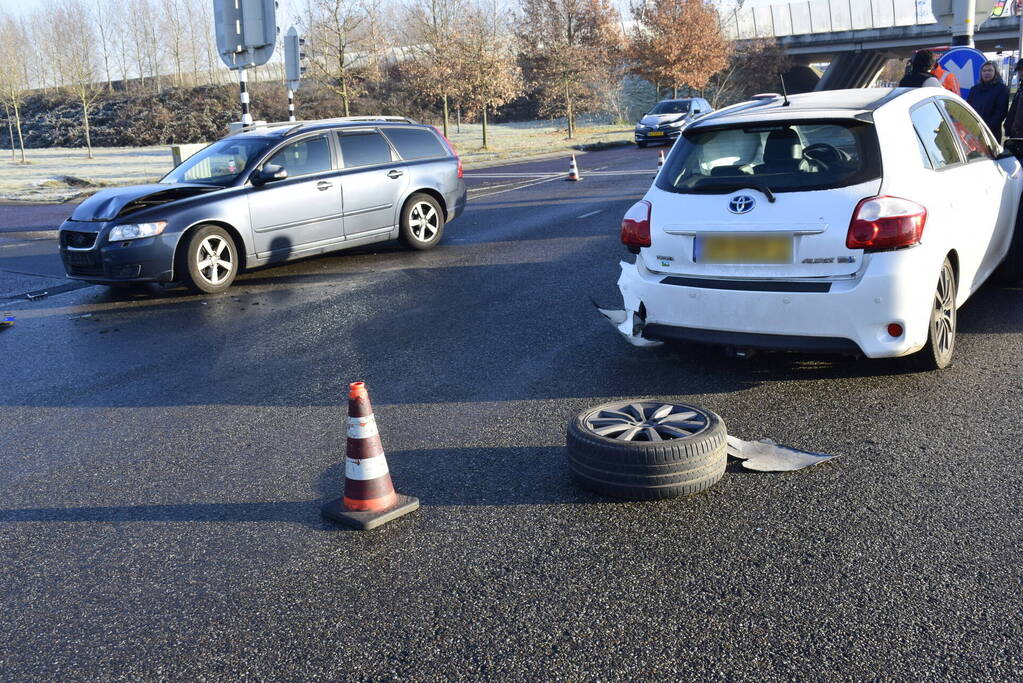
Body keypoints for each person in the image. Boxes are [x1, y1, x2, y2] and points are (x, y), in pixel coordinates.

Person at [967, 60, 1009, 139]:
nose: (986, 73)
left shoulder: (1002, 89)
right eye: (984, 70)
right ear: (981, 73)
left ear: (995, 72)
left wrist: (986, 128)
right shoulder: (974, 89)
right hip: (973, 130)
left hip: (991, 132)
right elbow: (968, 108)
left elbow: (1001, 112)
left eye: (990, 70)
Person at [1004, 61, 1023, 138]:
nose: (1021, 72)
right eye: (1019, 70)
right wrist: (1008, 126)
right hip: (1016, 134)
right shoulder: (1020, 89)